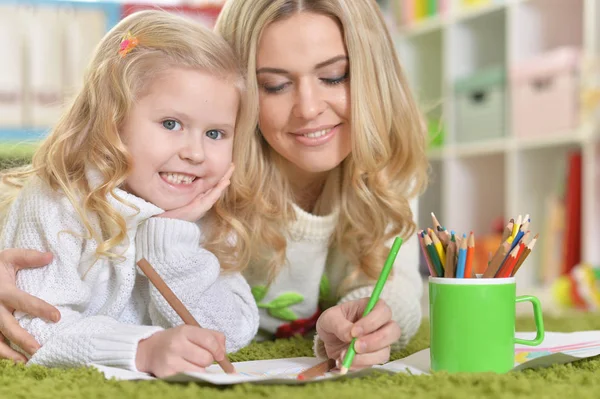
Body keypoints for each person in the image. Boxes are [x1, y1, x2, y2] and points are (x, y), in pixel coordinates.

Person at [0, 0, 428, 371]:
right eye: (274, 85)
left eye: (334, 76)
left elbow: (227, 327)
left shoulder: (380, 163)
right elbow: (35, 314)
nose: (310, 108)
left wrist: (371, 319)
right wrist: (139, 348)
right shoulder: (204, 185)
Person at [0, 10, 259, 377]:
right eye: (171, 124)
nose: (196, 153)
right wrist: (140, 349)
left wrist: (171, 242)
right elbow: (32, 325)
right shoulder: (56, 202)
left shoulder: (207, 212)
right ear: (111, 121)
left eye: (215, 134)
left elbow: (228, 336)